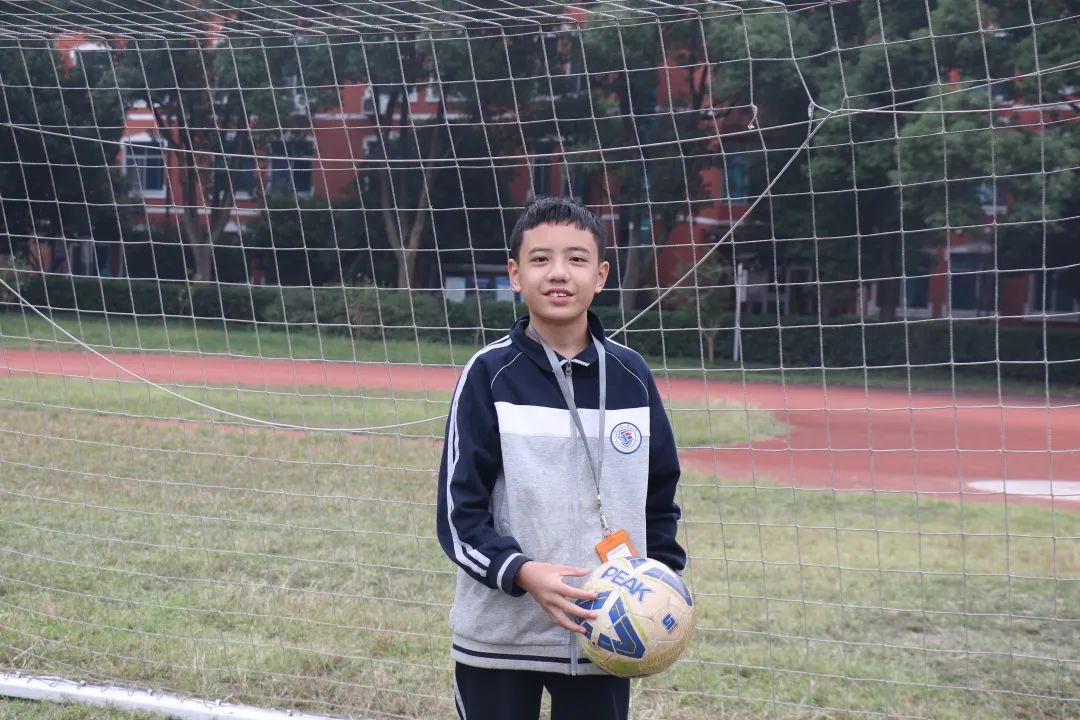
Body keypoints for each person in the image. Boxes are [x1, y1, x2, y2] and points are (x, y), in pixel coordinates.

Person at [436, 195, 685, 720]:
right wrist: (522, 572)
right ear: (515, 274)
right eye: (540, 258)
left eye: (576, 259)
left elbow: (659, 496)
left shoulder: (632, 376)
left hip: (608, 636)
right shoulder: (488, 375)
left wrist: (661, 581)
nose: (558, 273)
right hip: (500, 639)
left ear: (600, 276)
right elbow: (459, 516)